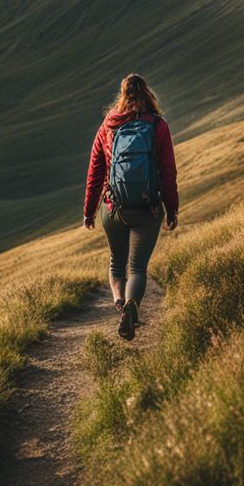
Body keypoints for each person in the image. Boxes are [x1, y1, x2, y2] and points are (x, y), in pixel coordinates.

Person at [83, 73, 179, 340]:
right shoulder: (158, 126)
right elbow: (168, 172)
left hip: (114, 208)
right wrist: (172, 210)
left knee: (117, 262)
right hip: (147, 208)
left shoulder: (108, 126)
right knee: (137, 268)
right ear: (148, 94)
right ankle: (131, 306)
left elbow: (95, 172)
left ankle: (119, 304)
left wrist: (89, 211)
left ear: (122, 96)